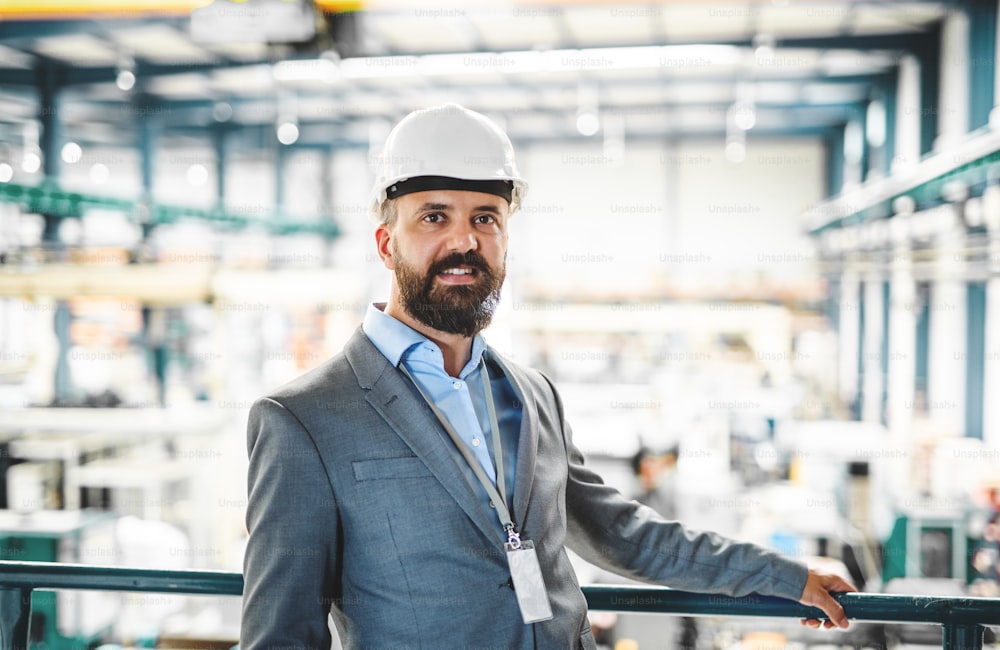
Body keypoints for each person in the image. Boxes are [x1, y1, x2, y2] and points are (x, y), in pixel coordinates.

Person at [240, 103, 855, 649]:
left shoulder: (531, 395)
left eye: (486, 218)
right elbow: (281, 634)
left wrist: (784, 576)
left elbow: (621, 533)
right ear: (384, 242)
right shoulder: (305, 420)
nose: (465, 241)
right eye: (434, 217)